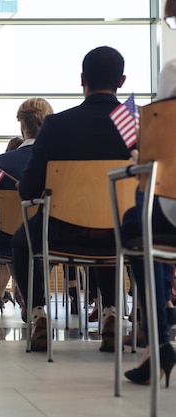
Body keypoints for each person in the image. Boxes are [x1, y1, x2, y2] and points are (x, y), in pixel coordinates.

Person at [11, 46, 130, 352]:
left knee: (21, 240)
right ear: (122, 81)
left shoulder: (57, 125)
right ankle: (114, 314)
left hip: (60, 231)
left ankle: (37, 314)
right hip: (122, 232)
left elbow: (30, 188)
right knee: (110, 224)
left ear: (82, 79)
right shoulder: (135, 123)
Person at [120, 0, 176, 385]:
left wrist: (141, 154)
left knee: (137, 218)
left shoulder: (173, 71)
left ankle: (157, 342)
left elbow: (163, 151)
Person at [0, 98, 54, 315]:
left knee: (16, 237)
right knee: (42, 244)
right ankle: (34, 293)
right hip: (54, 237)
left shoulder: (1, 162)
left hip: (9, 240)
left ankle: (25, 290)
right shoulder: (60, 160)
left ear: (22, 127)